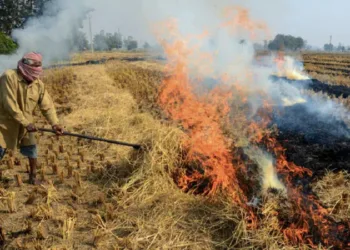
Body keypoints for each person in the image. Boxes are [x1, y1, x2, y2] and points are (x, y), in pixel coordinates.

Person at [0, 52, 64, 184]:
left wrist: (55, 124)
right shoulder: (8, 77)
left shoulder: (38, 84)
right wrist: (25, 122)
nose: (32, 79)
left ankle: (33, 178)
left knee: (32, 150)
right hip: (4, 123)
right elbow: (10, 104)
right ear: (23, 68)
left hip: (26, 124)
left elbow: (47, 106)